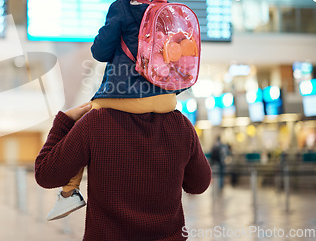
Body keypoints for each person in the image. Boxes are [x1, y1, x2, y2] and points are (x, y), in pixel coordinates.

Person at [43, 0, 185, 221]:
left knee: (80, 120)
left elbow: (100, 52)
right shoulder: (169, 13)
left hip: (124, 96)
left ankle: (68, 193)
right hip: (168, 98)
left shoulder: (121, 8)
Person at [35, 102, 211, 240]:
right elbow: (199, 184)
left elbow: (45, 174)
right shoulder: (180, 124)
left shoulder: (94, 122)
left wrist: (63, 122)